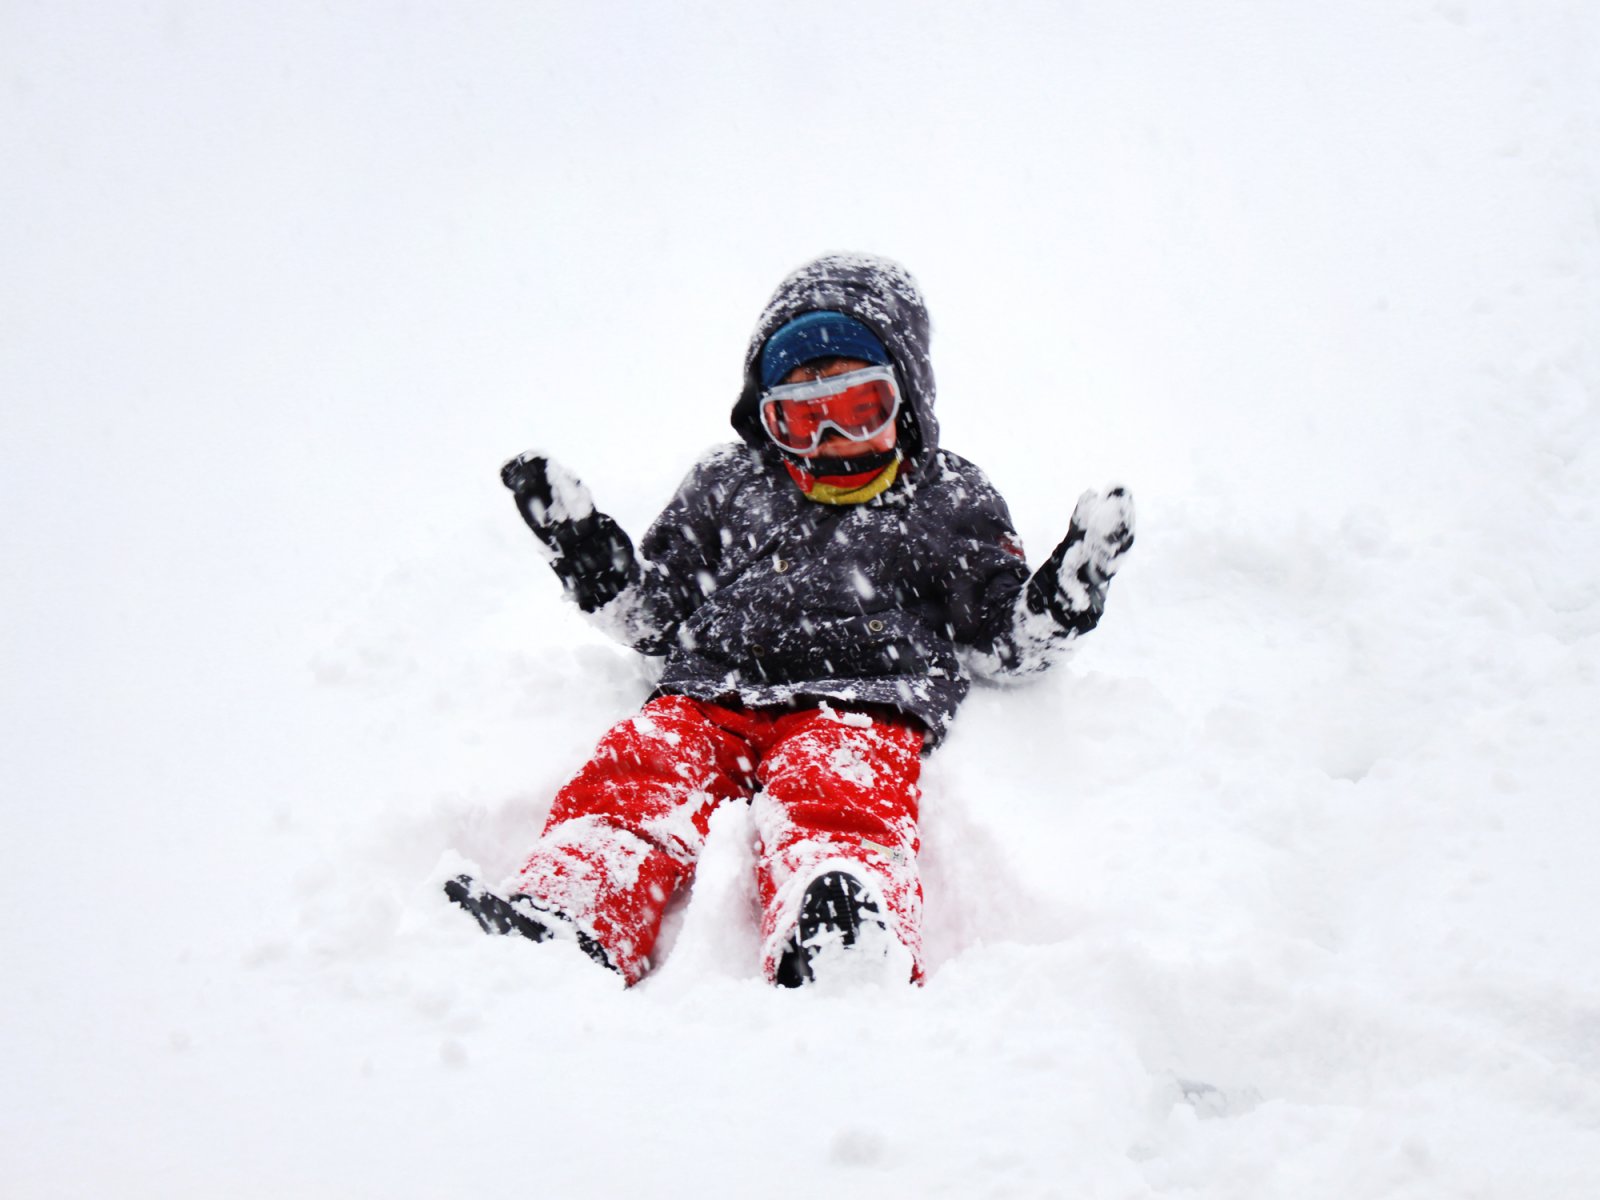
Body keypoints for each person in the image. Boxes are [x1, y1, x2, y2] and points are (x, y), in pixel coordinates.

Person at [447, 252, 1134, 988]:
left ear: (907, 401)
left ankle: (842, 920)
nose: (830, 439)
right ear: (766, 417)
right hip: (710, 693)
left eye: (859, 408)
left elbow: (1001, 642)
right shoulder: (727, 485)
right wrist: (595, 563)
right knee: (642, 771)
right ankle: (577, 901)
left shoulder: (947, 496)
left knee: (838, 794)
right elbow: (657, 621)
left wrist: (1065, 594)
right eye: (803, 418)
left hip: (862, 700)